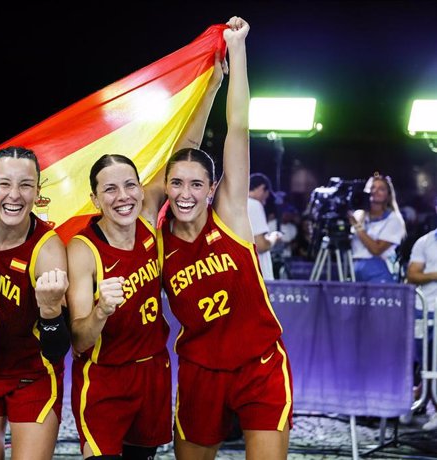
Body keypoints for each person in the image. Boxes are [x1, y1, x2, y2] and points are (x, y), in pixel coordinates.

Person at [65, 29, 226, 459]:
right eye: (110, 190)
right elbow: (79, 340)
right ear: (95, 199)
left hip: (153, 371)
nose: (123, 196)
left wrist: (210, 87)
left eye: (130, 185)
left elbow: (187, 149)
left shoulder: (147, 217)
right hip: (105, 377)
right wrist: (100, 309)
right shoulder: (83, 250)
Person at [160, 17, 292, 459]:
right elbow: (185, 149)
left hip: (259, 363)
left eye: (197, 185)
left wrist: (237, 52)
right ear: (165, 186)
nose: (185, 193)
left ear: (212, 189)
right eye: (176, 184)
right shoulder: (156, 238)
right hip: (200, 371)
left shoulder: (232, 216)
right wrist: (209, 86)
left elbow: (238, 128)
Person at [0, 146, 71, 460]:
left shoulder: (47, 249)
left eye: (25, 185)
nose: (14, 195)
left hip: (32, 373)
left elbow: (57, 347)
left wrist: (50, 311)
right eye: (5, 184)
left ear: (38, 192)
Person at [405, 215, 437, 430]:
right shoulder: (425, 242)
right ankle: (418, 398)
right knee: (423, 361)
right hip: (424, 309)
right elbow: (413, 275)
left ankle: (433, 410)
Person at [349, 173, 406, 282]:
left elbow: (376, 249)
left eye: (381, 189)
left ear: (388, 195)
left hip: (379, 270)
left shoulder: (393, 219)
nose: (375, 191)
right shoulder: (357, 215)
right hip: (355, 267)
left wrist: (357, 227)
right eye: (372, 187)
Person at [247, 172, 282, 280]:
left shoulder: (235, 205)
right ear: (262, 188)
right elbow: (261, 245)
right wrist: (274, 237)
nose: (265, 201)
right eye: (266, 195)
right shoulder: (254, 205)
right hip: (257, 278)